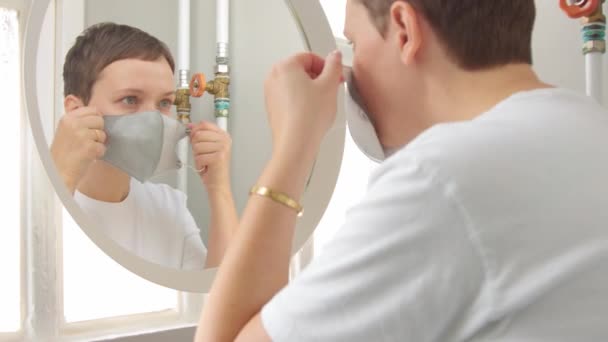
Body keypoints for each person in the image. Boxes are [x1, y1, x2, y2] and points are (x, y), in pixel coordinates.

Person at [195, 0, 608, 340]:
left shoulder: (444, 179)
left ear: (404, 29)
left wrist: (292, 145)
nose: (351, 72)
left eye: (354, 45)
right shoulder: (592, 128)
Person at [51, 22, 238, 269]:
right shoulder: (29, 203)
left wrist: (219, 188)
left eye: (164, 103)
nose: (154, 120)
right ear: (77, 110)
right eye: (130, 99)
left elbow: (223, 292)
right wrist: (59, 173)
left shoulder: (170, 207)